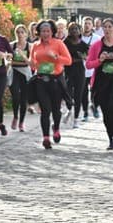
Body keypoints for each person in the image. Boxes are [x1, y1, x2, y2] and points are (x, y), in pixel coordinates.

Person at [85, 19, 113, 150]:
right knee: (106, 111)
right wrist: (99, 60)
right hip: (101, 82)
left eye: (110, 27)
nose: (107, 29)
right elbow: (88, 64)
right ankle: (111, 138)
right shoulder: (96, 46)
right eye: (105, 27)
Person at [29, 19, 72, 149]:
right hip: (41, 80)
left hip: (56, 80)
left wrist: (56, 58)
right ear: (39, 32)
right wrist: (31, 63)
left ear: (52, 31)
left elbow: (68, 61)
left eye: (48, 31)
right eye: (43, 31)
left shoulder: (58, 43)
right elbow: (33, 63)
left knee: (56, 110)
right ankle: (46, 137)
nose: (46, 33)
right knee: (45, 110)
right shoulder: (35, 45)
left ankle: (56, 128)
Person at [63, 21, 90, 127]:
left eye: (76, 29)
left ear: (80, 31)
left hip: (79, 71)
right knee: (67, 93)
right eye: (72, 29)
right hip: (68, 71)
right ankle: (69, 109)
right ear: (69, 31)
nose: (74, 31)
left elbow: (88, 56)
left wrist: (84, 57)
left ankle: (76, 119)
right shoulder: (65, 42)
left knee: (79, 95)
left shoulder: (83, 44)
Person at [9, 24, 32, 132]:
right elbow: (9, 61)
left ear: (26, 34)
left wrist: (23, 56)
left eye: (22, 32)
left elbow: (30, 62)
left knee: (24, 99)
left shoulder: (30, 46)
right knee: (15, 96)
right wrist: (17, 61)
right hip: (14, 72)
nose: (20, 34)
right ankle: (15, 116)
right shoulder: (12, 45)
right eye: (18, 32)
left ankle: (21, 122)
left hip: (25, 74)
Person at [80, 17, 101, 121]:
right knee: (83, 92)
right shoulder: (78, 38)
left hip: (93, 69)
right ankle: (85, 112)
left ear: (92, 26)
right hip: (81, 70)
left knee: (95, 91)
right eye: (85, 23)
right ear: (82, 25)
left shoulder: (97, 38)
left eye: (89, 23)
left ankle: (94, 106)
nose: (87, 25)